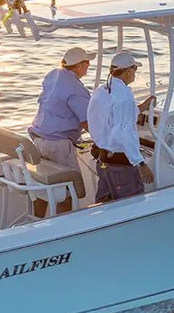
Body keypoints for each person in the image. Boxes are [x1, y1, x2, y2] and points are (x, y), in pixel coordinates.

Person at [28, 47, 94, 215]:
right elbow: (87, 121)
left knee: (42, 190)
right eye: (87, 62)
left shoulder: (53, 75)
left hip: (39, 139)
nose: (89, 65)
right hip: (58, 145)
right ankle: (60, 227)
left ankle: (37, 221)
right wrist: (103, 142)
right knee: (66, 192)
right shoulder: (75, 88)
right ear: (79, 65)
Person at [87, 52, 155, 203]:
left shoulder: (101, 91)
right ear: (129, 70)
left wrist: (143, 106)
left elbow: (114, 117)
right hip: (121, 166)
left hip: (103, 160)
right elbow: (121, 132)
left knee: (104, 206)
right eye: (135, 68)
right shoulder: (123, 96)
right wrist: (141, 163)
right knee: (132, 206)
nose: (135, 73)